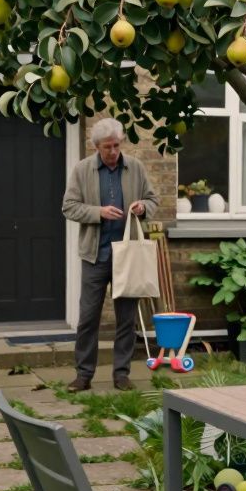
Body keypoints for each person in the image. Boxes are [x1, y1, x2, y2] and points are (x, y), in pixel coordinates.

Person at [61, 117, 159, 392]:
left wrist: (143, 207)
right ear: (97, 147)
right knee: (88, 317)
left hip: (128, 256)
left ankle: (121, 374)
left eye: (117, 145)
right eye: (108, 147)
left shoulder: (136, 168)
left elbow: (153, 199)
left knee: (126, 319)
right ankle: (83, 375)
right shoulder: (82, 170)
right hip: (95, 255)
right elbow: (68, 207)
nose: (114, 151)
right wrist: (98, 212)